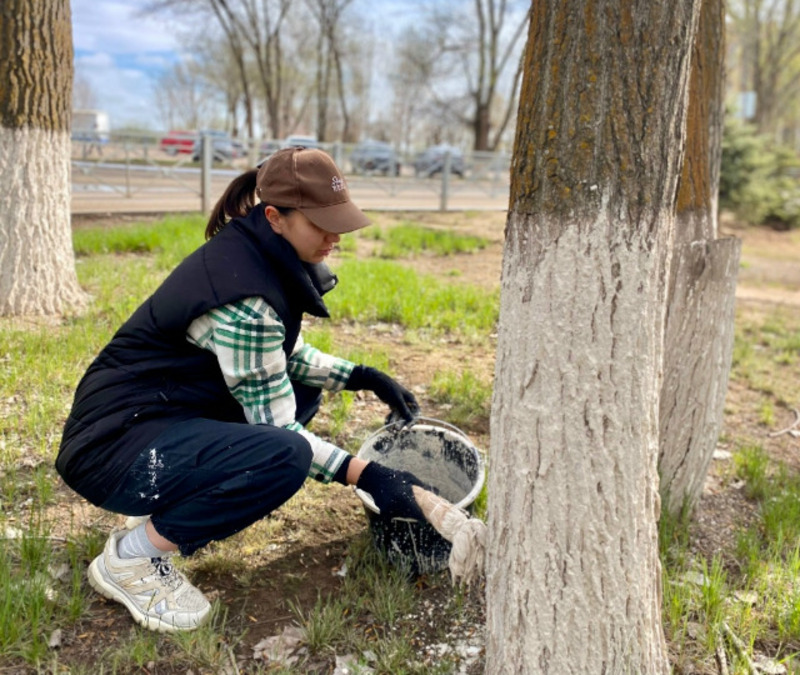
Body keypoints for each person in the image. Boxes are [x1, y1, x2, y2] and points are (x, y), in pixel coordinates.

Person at [56, 147, 428, 634]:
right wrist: (367, 475)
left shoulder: (259, 248)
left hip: (150, 418)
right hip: (111, 449)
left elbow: (280, 356)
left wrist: (364, 377)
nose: (334, 237)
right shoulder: (244, 298)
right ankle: (132, 559)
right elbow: (279, 426)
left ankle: (167, 506)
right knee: (283, 457)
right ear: (275, 216)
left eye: (339, 222)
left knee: (301, 396)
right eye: (321, 224)